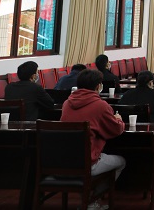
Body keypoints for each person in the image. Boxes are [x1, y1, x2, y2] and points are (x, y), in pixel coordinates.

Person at [61, 69, 126, 208]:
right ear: (98, 86)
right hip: (88, 162)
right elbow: (115, 130)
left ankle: (88, 199)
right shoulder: (101, 105)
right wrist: (119, 120)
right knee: (121, 162)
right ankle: (91, 202)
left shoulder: (67, 103)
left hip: (64, 159)